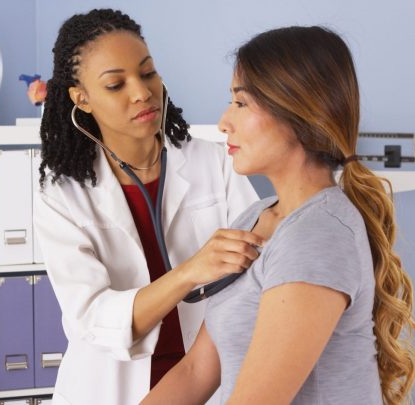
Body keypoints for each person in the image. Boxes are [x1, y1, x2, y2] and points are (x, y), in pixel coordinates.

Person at [143, 26, 415, 405]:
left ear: (296, 112)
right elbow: (195, 372)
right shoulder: (254, 218)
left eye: (241, 103)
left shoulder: (319, 233)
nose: (224, 122)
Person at [33, 9, 262, 405]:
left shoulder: (216, 163)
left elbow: (258, 271)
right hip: (109, 389)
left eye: (148, 72)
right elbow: (93, 317)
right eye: (115, 84)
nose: (141, 92)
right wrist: (190, 273)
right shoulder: (63, 194)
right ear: (81, 98)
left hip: (209, 380)